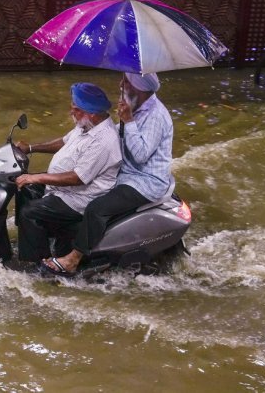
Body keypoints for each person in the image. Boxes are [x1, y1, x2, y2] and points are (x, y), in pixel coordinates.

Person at [41, 72, 174, 277]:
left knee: (96, 208)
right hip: (125, 173)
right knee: (82, 196)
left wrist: (128, 121)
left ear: (139, 87)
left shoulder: (156, 115)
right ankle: (66, 240)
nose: (121, 84)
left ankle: (73, 259)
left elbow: (140, 156)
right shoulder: (136, 106)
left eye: (127, 82)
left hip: (145, 181)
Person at [13, 82, 122, 263]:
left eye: (76, 109)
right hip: (63, 189)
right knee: (24, 189)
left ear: (92, 113)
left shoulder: (104, 140)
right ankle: (34, 239)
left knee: (29, 212)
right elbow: (64, 141)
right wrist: (31, 148)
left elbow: (78, 178)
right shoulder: (86, 124)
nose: (72, 112)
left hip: (79, 198)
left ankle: (36, 265)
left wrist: (37, 177)